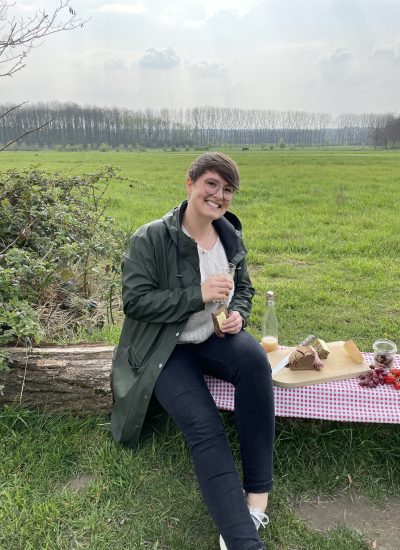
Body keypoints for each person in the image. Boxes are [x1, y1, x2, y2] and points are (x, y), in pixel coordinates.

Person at [110, 152, 275, 550]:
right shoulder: (150, 237)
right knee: (204, 425)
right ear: (190, 183)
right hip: (166, 348)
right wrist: (195, 295)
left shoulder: (230, 235)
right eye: (212, 184)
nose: (218, 195)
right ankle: (242, 541)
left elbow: (245, 288)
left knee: (255, 362)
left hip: (213, 338)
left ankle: (256, 501)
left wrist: (237, 313)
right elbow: (135, 302)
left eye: (228, 189)